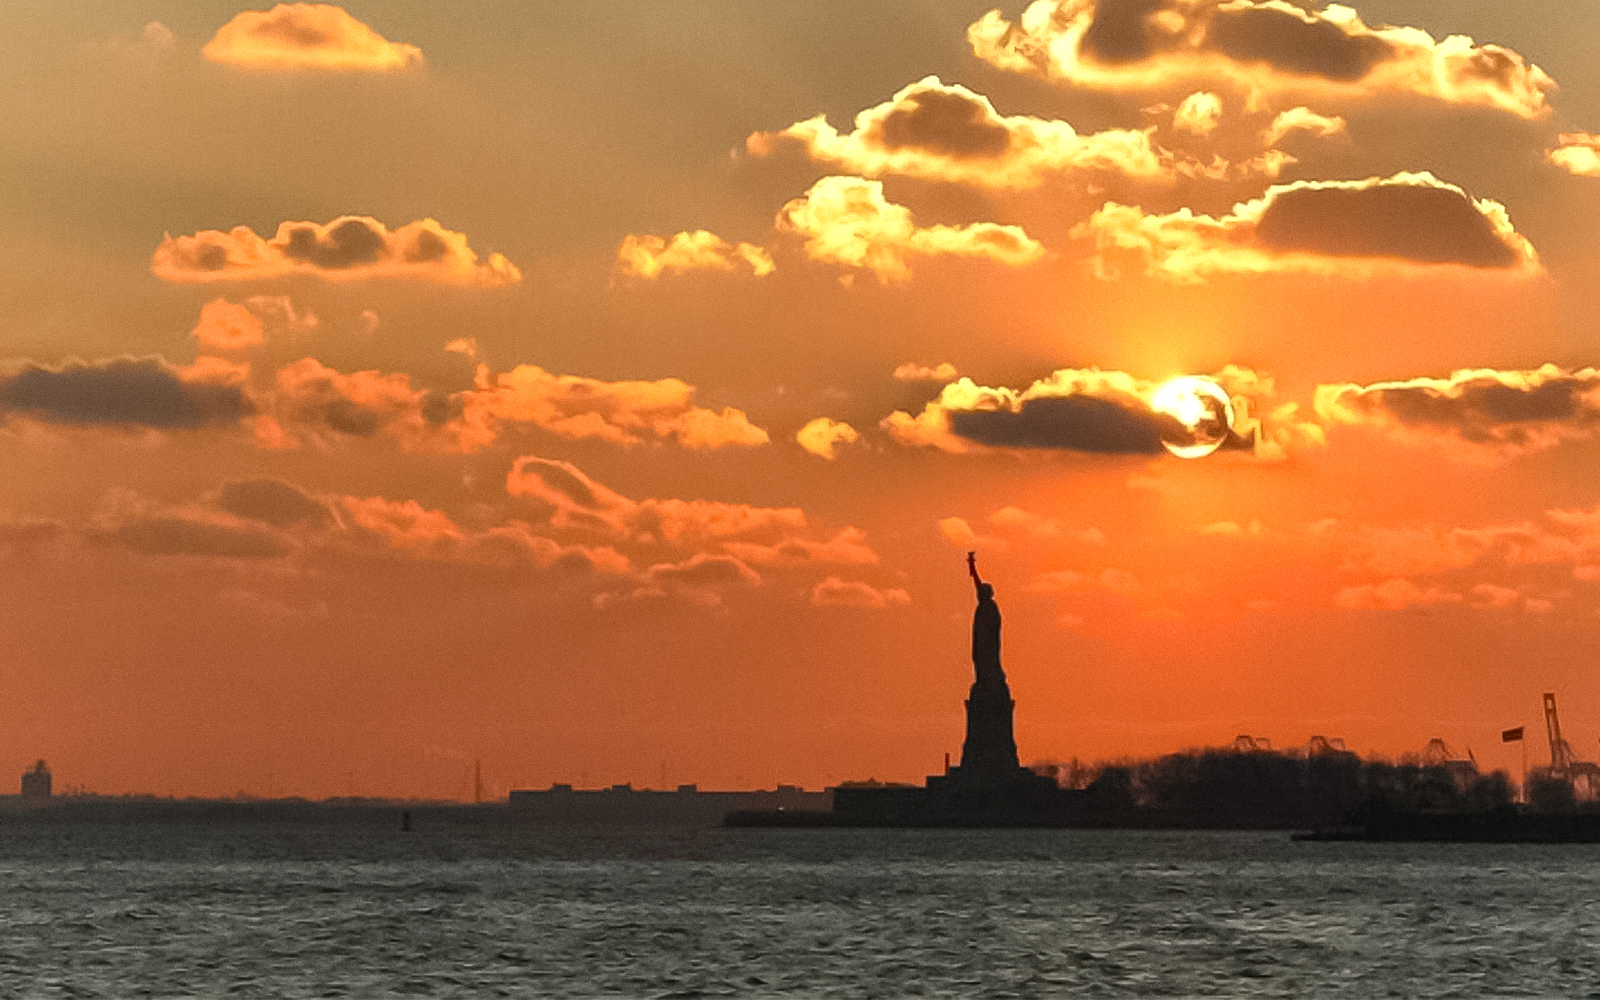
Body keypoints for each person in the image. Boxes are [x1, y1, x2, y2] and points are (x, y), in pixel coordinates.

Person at [967, 552, 1003, 684]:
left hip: (989, 644)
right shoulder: (983, 606)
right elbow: (976, 582)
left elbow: (994, 628)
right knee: (980, 661)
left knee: (989, 661)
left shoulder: (990, 607)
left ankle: (991, 678)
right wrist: (972, 565)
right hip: (981, 643)